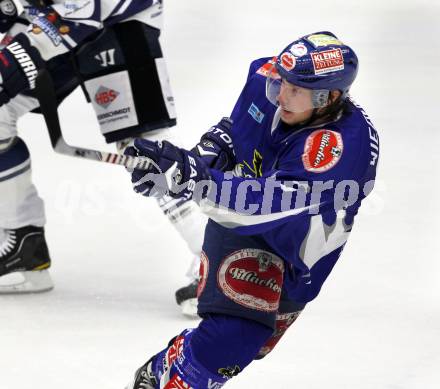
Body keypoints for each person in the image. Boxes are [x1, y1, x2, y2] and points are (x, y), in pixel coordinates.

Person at [124, 31, 380, 388]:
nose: (281, 96)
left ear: (329, 97)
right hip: (240, 228)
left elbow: (264, 207)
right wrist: (206, 156)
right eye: (282, 83)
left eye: (295, 91)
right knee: (232, 339)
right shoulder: (267, 79)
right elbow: (236, 128)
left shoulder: (339, 149)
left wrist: (191, 178)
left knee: (255, 345)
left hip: (293, 244)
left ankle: (174, 360)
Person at [0, 0, 208, 302]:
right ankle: (23, 248)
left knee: (144, 149)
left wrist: (25, 47)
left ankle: (221, 259)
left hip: (118, 18)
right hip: (54, 19)